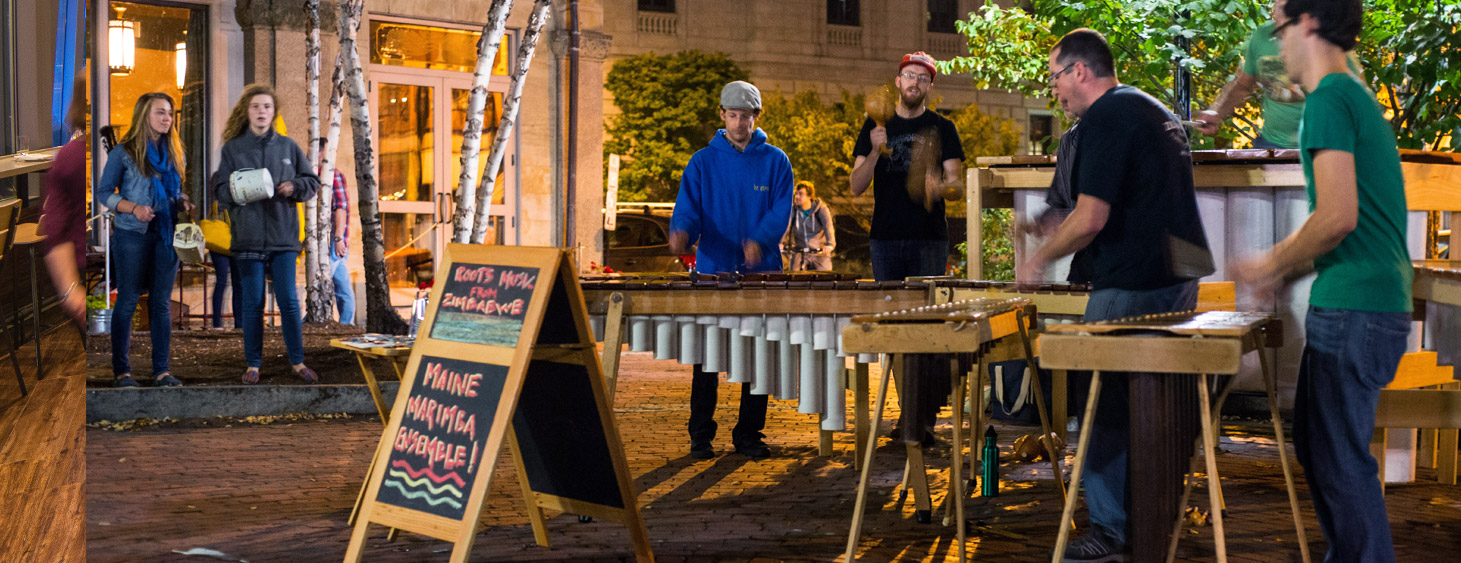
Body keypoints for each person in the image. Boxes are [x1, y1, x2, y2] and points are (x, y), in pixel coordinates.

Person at [1015, 29, 1213, 562]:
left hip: (1134, 282)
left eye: (1055, 77)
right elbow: (1110, 200)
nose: (1053, 90)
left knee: (1099, 402)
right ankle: (1154, 520)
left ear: (1080, 71)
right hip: (1178, 275)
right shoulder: (1147, 109)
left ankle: (1111, 529)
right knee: (1155, 406)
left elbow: (1092, 218)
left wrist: (1037, 260)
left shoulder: (1104, 118)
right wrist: (1044, 225)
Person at [1235, 2, 1408, 560]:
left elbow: (1337, 218)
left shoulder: (1332, 96)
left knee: (1338, 459)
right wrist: (1286, 274)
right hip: (1365, 302)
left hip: (1356, 308)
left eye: (1279, 28)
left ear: (1307, 21)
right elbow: (1353, 222)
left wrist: (1267, 263)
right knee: (1320, 447)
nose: (1275, 46)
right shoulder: (1350, 93)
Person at [668, 80, 794, 459]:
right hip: (712, 272)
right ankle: (700, 435)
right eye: (733, 115)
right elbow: (688, 207)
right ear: (722, 116)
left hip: (761, 274)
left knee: (757, 360)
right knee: (706, 359)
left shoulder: (777, 161)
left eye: (747, 116)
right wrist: (682, 232)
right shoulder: (702, 161)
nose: (740, 123)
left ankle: (749, 436)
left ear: (758, 117)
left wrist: (760, 239)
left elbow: (781, 211)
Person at [850, 51, 966, 445]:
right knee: (896, 333)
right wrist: (877, 151)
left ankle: (921, 420)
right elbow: (856, 186)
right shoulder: (874, 125)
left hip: (929, 239)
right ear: (897, 82)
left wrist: (938, 186)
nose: (914, 82)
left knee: (929, 332)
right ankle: (908, 417)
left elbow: (957, 182)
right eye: (908, 76)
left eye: (922, 77)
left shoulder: (942, 127)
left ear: (930, 86)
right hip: (885, 239)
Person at [212, 84, 321, 384]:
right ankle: (253, 364)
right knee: (253, 302)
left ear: (274, 112)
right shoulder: (233, 149)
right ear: (246, 112)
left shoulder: (289, 147)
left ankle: (297, 362)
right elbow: (221, 190)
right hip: (247, 237)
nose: (262, 112)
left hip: (283, 237)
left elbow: (311, 182)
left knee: (288, 300)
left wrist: (294, 187)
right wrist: (238, 191)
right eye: (256, 107)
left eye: (267, 107)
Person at [94, 92, 194, 388]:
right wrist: (133, 208)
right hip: (131, 235)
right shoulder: (123, 152)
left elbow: (175, 193)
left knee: (161, 303)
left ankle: (161, 371)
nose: (167, 118)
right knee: (127, 300)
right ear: (144, 116)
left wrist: (183, 202)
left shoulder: (176, 152)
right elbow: (103, 194)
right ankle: (122, 372)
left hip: (166, 235)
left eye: (170, 113)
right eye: (160, 113)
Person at [1194, 0, 1304, 149]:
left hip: (1322, 144)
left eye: (1285, 8)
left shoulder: (1327, 39)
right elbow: (1243, 85)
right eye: (1277, 6)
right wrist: (1216, 112)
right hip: (1273, 143)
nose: (1278, 14)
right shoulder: (1262, 35)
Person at [42, 82, 88, 330]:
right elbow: (56, 229)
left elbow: (55, 228)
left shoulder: (71, 155)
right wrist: (72, 291)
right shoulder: (73, 158)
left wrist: (70, 291)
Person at [318, 138, 356, 325]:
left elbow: (340, 208)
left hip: (333, 241)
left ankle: (308, 321)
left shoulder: (333, 176)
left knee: (323, 282)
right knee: (341, 284)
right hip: (326, 241)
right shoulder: (316, 176)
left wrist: (338, 239)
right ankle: (346, 324)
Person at [783, 180, 836, 271]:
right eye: (795, 194)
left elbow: (828, 227)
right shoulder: (793, 210)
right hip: (800, 251)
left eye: (800, 194)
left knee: (826, 278)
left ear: (809, 196)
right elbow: (785, 227)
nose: (796, 197)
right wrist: (779, 242)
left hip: (819, 252)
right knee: (794, 277)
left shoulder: (821, 209)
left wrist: (830, 245)